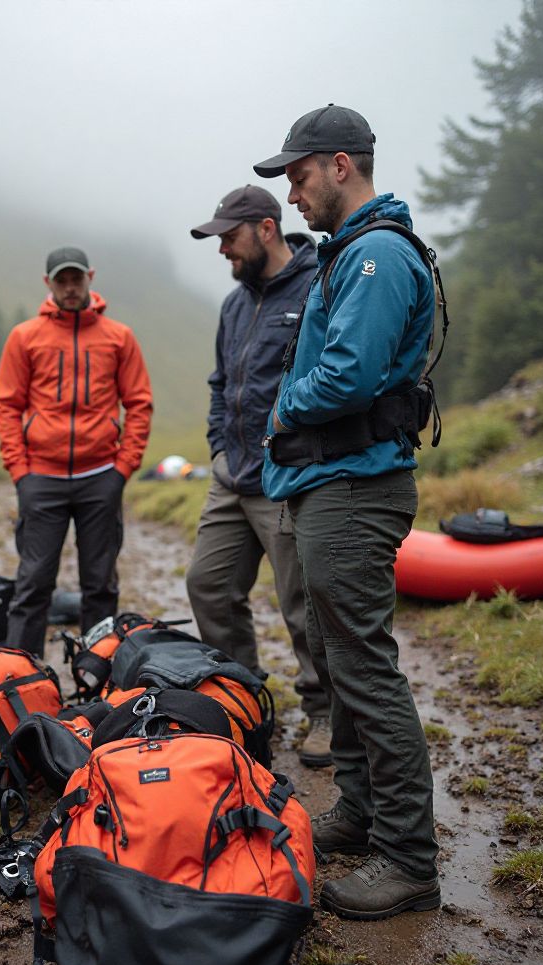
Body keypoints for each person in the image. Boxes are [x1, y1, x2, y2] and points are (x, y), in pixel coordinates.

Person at [255, 105, 440, 919]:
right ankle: (363, 813)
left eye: (296, 176)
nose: (291, 195)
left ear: (339, 165)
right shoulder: (350, 254)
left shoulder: (374, 258)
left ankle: (408, 858)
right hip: (332, 484)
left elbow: (348, 378)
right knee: (341, 662)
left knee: (364, 668)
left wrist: (279, 412)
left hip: (356, 488)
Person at [186, 185, 331, 766]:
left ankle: (323, 712)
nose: (222, 249)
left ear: (266, 229)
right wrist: (219, 448)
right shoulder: (233, 304)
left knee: (302, 601)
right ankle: (241, 696)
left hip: (288, 476)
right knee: (208, 585)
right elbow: (222, 384)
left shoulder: (318, 284)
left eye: (229, 236)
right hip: (232, 476)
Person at [0, 246, 153, 656]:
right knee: (32, 586)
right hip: (40, 480)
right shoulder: (25, 337)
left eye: (75, 279)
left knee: (100, 586)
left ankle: (96, 680)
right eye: (60, 280)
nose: (69, 287)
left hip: (101, 477)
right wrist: (20, 472)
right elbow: (7, 405)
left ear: (90, 278)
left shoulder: (119, 338)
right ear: (48, 284)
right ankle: (20, 680)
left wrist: (123, 468)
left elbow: (139, 404)